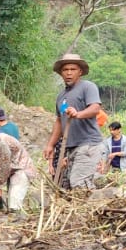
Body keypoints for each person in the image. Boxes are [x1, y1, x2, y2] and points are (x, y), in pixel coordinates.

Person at [43, 53, 105, 190]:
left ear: (80, 72)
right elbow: (60, 120)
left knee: (79, 183)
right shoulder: (61, 96)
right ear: (61, 73)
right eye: (65, 70)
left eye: (73, 69)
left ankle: (93, 202)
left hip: (88, 144)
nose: (69, 73)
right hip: (70, 147)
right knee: (68, 186)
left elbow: (95, 108)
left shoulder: (87, 87)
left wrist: (78, 114)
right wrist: (50, 145)